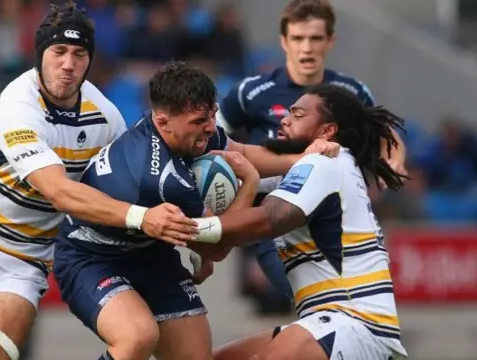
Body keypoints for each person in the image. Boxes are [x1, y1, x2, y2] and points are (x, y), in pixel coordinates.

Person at [0, 3, 201, 360]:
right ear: (41, 54)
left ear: (89, 60)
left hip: (25, 260)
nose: (68, 64)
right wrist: (142, 217)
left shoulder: (106, 118)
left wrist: (193, 237)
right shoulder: (18, 105)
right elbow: (59, 192)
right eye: (59, 51)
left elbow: (134, 181)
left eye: (79, 54)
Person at [51, 61, 339, 360]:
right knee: (137, 336)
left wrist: (303, 158)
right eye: (200, 120)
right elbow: (219, 247)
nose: (211, 127)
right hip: (90, 258)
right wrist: (249, 183)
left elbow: (240, 153)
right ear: (162, 122)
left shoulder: (185, 130)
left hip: (149, 253)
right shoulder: (163, 180)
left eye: (212, 115)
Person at [192, 84, 408, 360]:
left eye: (298, 114)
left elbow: (270, 219)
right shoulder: (300, 168)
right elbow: (241, 155)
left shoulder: (326, 163)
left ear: (326, 131)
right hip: (330, 321)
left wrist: (188, 228)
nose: (284, 119)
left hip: (355, 321)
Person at [216, 0, 408, 308]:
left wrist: (394, 158)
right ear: (284, 41)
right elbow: (212, 137)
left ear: (330, 41)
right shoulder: (250, 92)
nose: (307, 48)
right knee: (323, 303)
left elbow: (385, 133)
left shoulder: (350, 93)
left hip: (339, 221)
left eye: (315, 38)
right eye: (298, 38)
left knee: (354, 307)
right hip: (277, 223)